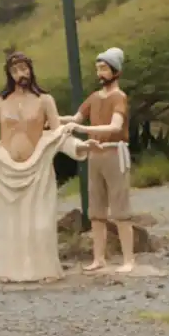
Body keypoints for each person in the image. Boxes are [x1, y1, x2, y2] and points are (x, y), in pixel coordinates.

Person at [0, 52, 95, 283]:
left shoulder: (45, 100)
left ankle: (45, 269)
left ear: (31, 70)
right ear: (9, 74)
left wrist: (79, 146)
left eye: (24, 69)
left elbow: (58, 134)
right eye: (15, 70)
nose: (21, 74)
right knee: (11, 224)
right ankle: (11, 271)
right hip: (7, 170)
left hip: (39, 169)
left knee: (41, 223)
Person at [59, 47, 136, 273]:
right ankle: (98, 257)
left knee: (121, 208)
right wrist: (54, 119)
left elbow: (115, 126)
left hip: (113, 152)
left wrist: (81, 128)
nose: (100, 73)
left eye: (104, 68)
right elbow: (75, 117)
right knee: (96, 209)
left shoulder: (119, 97)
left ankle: (128, 259)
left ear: (115, 70)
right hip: (95, 154)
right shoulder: (94, 97)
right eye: (98, 68)